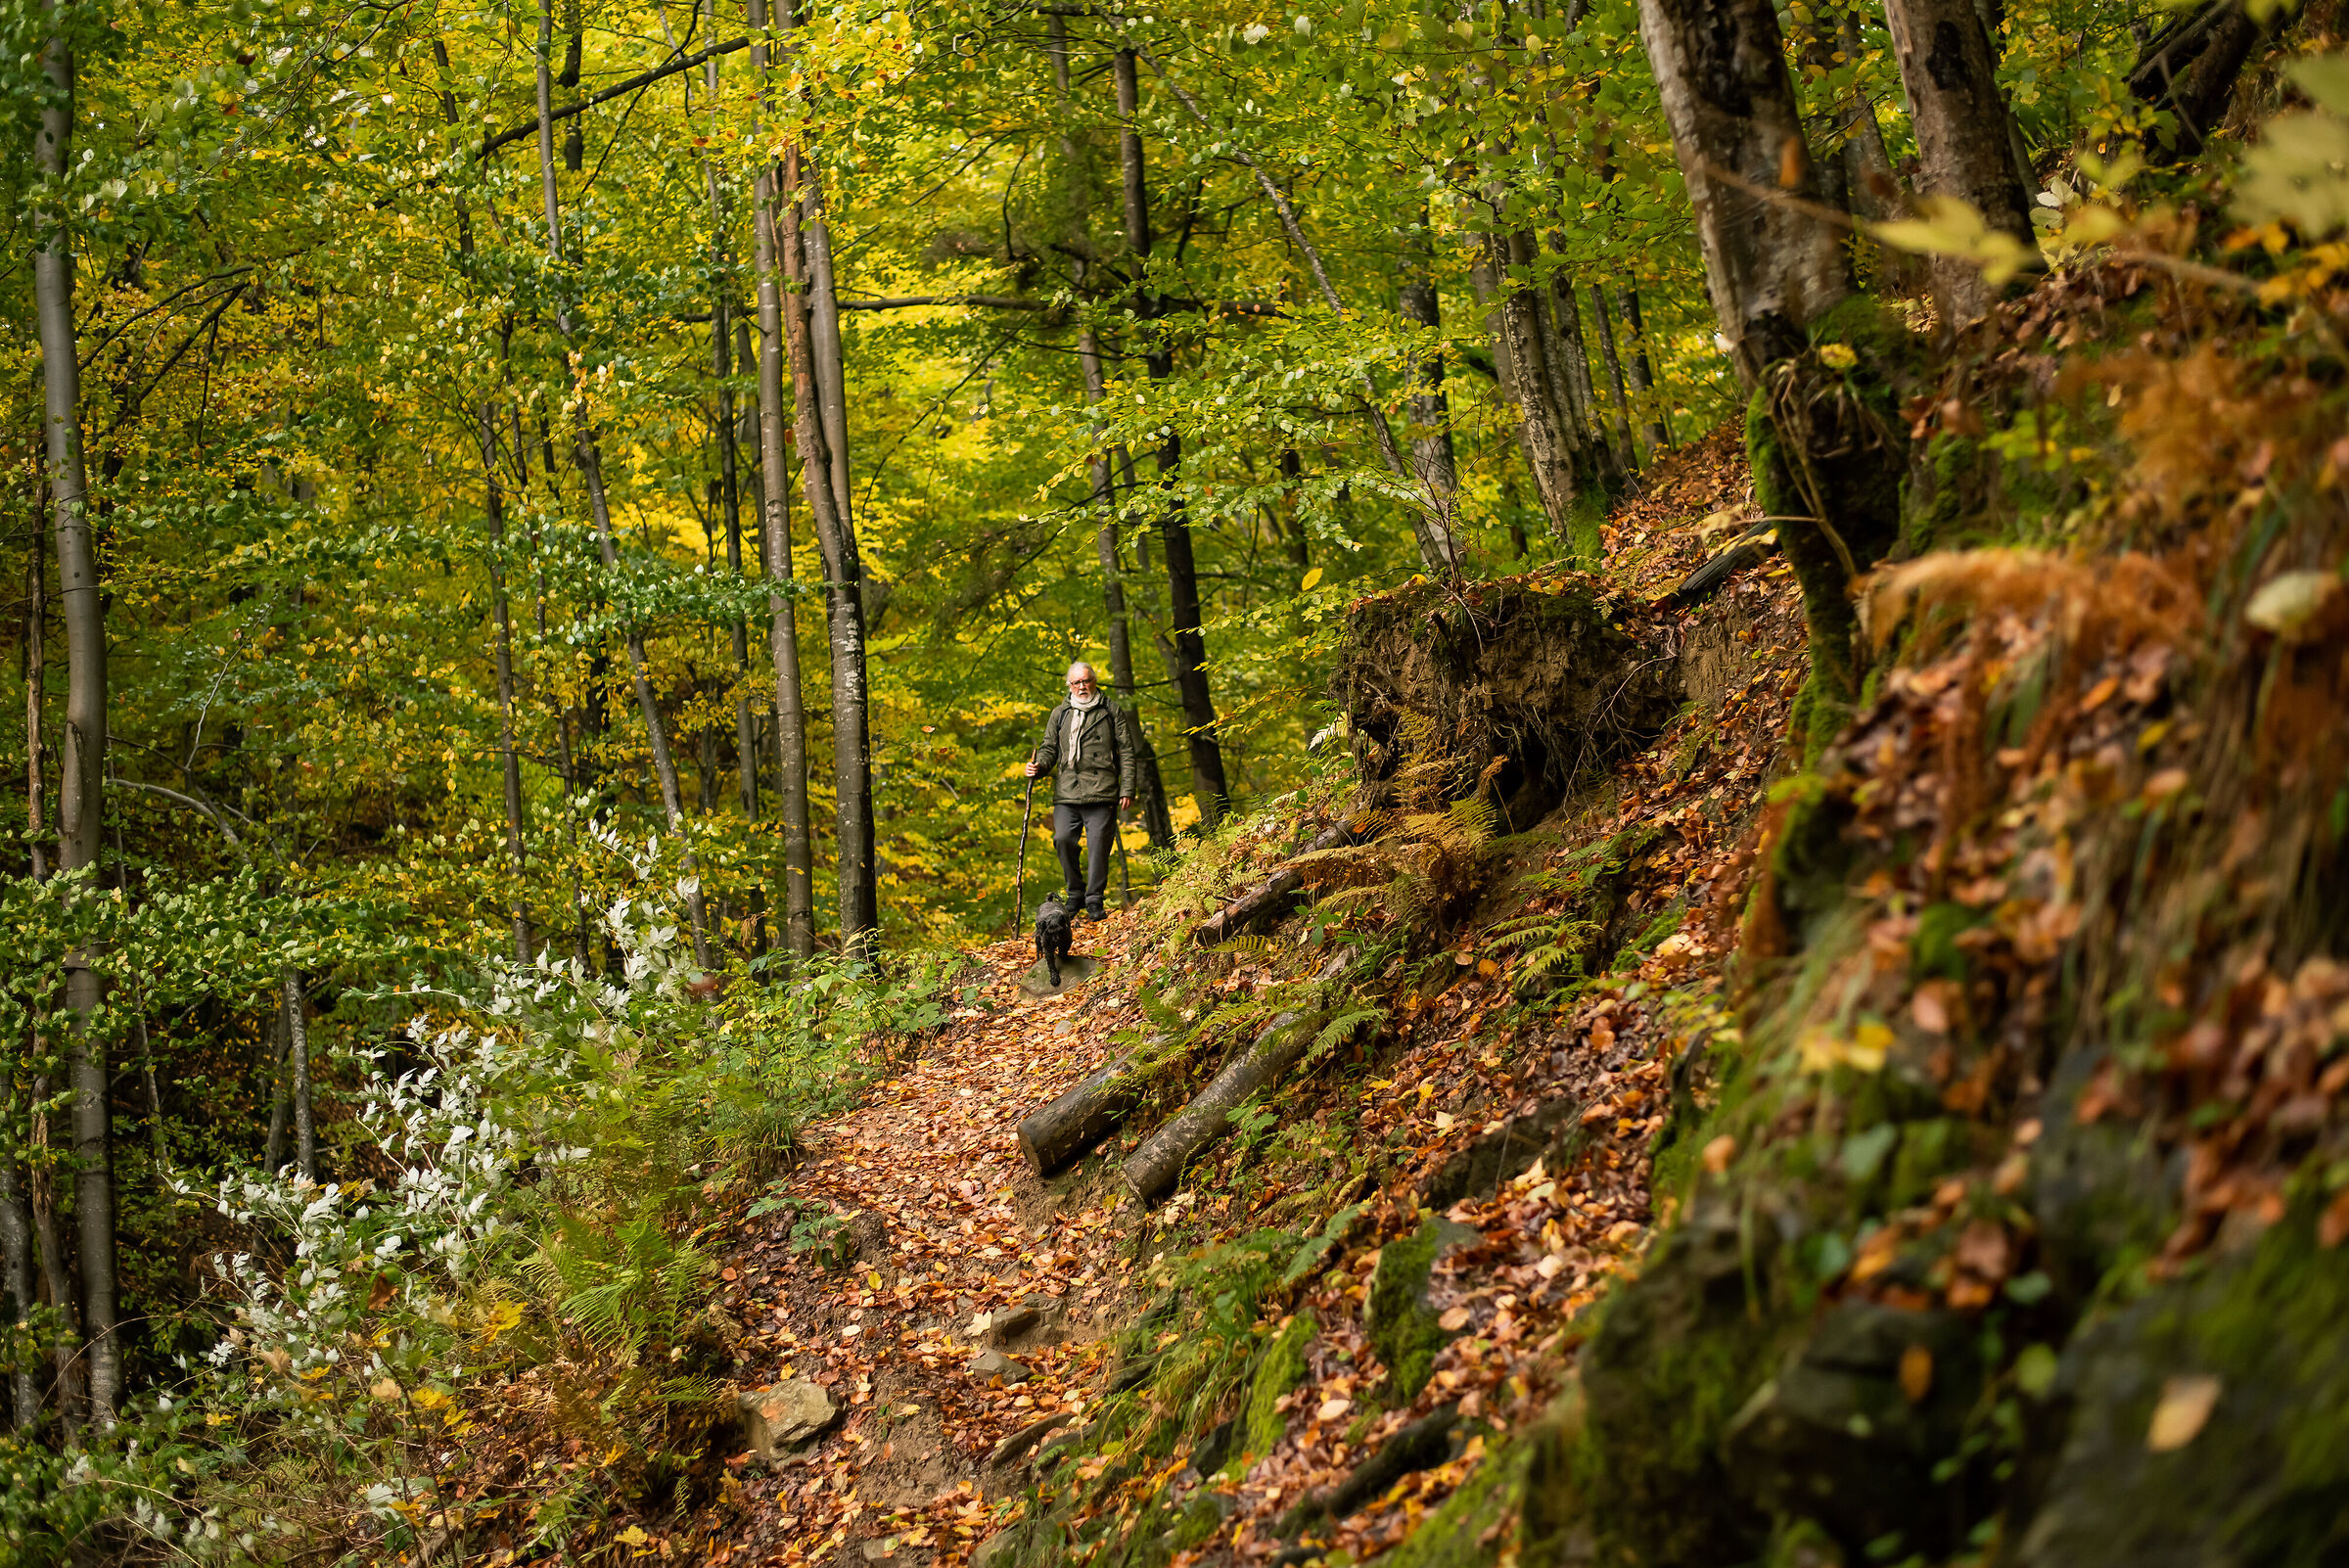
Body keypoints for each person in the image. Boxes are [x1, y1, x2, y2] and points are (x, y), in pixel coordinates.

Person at [1025, 662, 1137, 922]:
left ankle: (1094, 899)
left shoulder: (1110, 710)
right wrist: (1038, 767)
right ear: (1069, 686)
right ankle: (1075, 893)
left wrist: (1128, 787)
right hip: (1067, 791)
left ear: (1094, 682)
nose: (1082, 686)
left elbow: (1127, 751)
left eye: (1086, 681)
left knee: (1099, 847)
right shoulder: (1060, 713)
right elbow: (1049, 748)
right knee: (1062, 839)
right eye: (1076, 682)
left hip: (1103, 789)